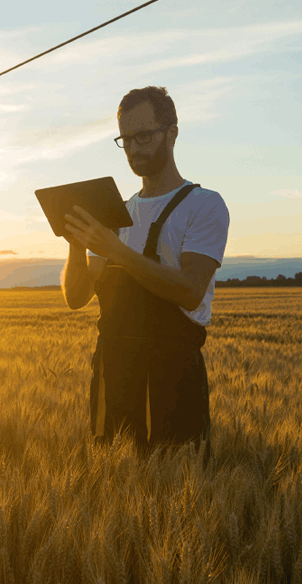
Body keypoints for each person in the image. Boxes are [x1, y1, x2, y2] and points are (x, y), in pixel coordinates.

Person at [61, 86, 229, 457]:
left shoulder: (204, 205)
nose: (135, 149)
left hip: (172, 377)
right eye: (126, 139)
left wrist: (115, 250)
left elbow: (191, 290)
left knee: (176, 490)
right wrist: (76, 242)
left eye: (145, 136)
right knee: (114, 491)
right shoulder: (115, 213)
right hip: (113, 375)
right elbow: (76, 298)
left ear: (172, 132)